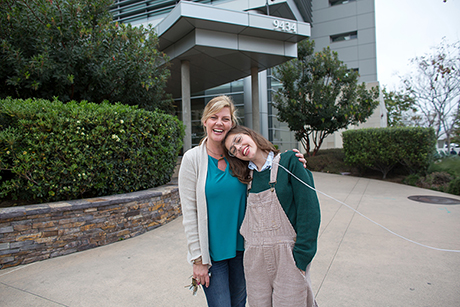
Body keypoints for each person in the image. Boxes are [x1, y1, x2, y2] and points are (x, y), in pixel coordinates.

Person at [178, 95, 307, 307]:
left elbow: (268, 167)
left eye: (225, 118)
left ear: (231, 123)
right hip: (212, 254)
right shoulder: (192, 159)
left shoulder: (239, 155)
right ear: (204, 121)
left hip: (245, 250)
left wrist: (293, 161)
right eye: (214, 117)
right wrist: (198, 259)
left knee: (240, 304)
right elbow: (189, 213)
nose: (219, 123)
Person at [223, 125, 321, 307]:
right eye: (233, 150)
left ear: (250, 134)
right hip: (255, 263)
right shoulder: (244, 180)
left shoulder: (289, 161)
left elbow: (309, 211)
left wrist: (301, 258)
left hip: (289, 260)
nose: (239, 148)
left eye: (238, 140)